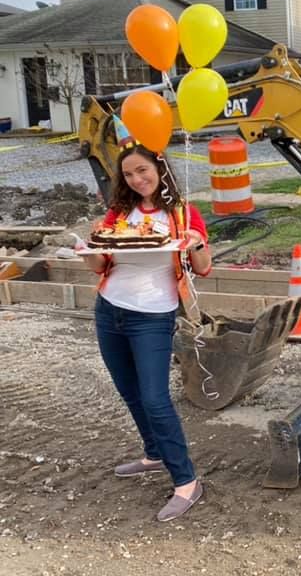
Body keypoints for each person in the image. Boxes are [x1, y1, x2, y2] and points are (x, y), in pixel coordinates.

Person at [77, 141, 212, 522]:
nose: (137, 179)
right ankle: (154, 454)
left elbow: (202, 267)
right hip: (109, 311)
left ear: (160, 169)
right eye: (129, 174)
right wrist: (87, 247)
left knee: (155, 399)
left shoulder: (183, 214)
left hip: (152, 316)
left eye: (143, 170)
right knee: (130, 392)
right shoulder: (118, 213)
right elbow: (100, 264)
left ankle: (186, 481)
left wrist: (196, 242)